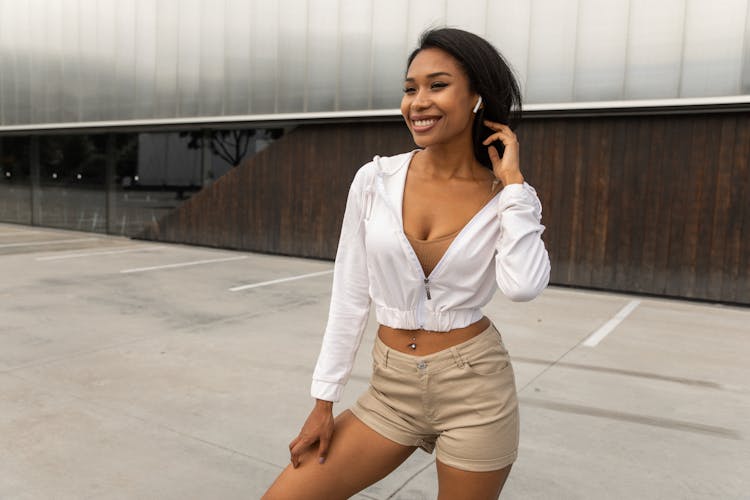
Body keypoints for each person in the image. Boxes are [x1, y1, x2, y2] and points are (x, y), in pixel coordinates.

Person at [263, 27, 550, 500]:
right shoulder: (375, 180)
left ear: (477, 96)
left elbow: (522, 286)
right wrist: (323, 401)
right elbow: (350, 293)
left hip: (475, 393)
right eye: (410, 88)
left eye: (437, 86)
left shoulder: (510, 198)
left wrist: (514, 184)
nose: (417, 102)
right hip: (391, 389)